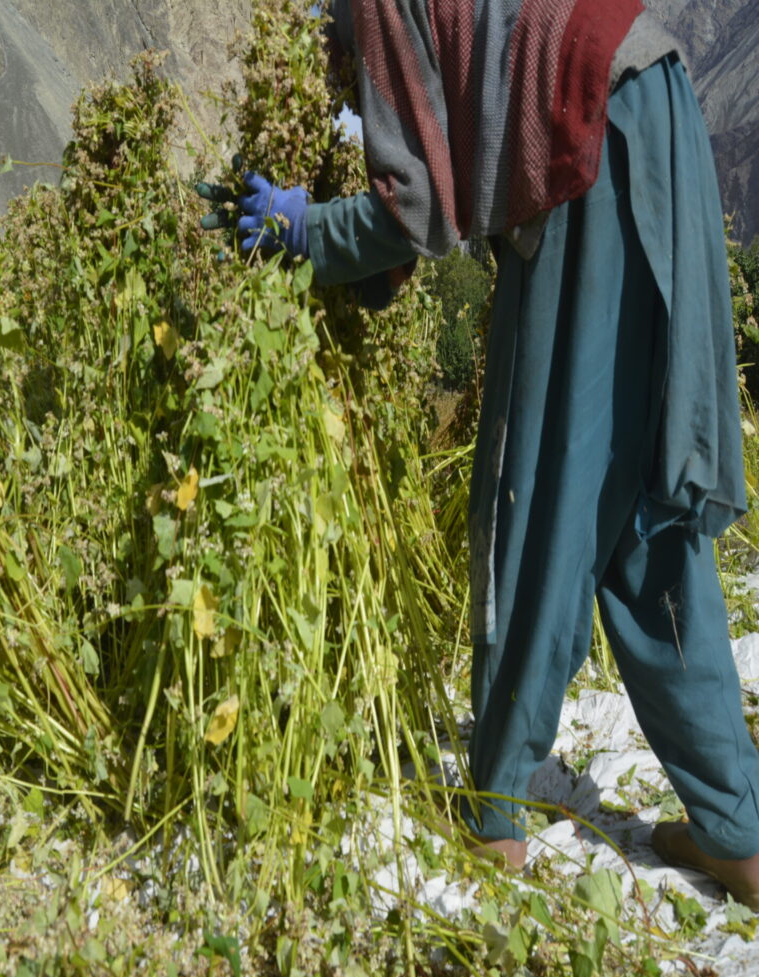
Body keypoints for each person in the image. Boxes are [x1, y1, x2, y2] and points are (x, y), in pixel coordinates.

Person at [199, 0, 759, 910]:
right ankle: (739, 830)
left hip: (591, 149)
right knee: (645, 503)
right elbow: (444, 182)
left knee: (532, 488)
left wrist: (303, 234)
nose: (337, 66)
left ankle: (493, 815)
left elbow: (412, 211)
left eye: (330, 49)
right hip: (658, 111)